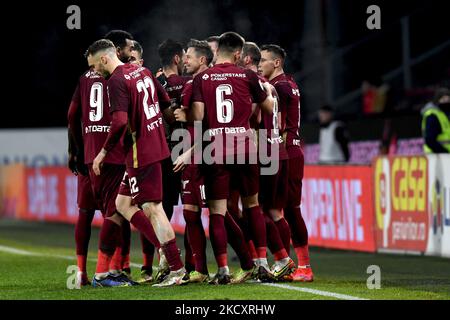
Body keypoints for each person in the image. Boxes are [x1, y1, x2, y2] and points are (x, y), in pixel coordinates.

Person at [87, 39, 186, 287]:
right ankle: (164, 252)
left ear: (103, 59)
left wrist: (102, 153)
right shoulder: (143, 71)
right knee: (122, 203)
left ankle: (176, 268)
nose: (94, 71)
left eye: (94, 65)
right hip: (154, 146)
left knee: (154, 208)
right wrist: (168, 132)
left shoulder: (116, 81)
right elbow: (165, 105)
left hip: (139, 153)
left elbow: (120, 122)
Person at [190, 32, 275, 284]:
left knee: (217, 212)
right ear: (238, 54)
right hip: (245, 146)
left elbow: (197, 116)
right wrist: (267, 91)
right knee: (252, 205)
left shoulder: (202, 78)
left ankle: (224, 270)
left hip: (216, 147)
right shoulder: (248, 75)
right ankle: (261, 264)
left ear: (217, 52)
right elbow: (268, 108)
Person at [238, 42, 296, 281]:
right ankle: (283, 262)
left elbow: (251, 115)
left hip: (263, 150)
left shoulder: (253, 84)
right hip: (276, 148)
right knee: (272, 209)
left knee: (256, 209)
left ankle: (282, 259)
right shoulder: (268, 85)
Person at [259, 44, 313, 282]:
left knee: (288, 209)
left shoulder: (278, 87)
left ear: (276, 63)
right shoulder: (290, 83)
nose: (260, 65)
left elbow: (277, 123)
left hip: (286, 151)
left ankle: (302, 266)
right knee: (282, 209)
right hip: (292, 149)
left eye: (263, 60)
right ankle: (292, 264)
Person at [422, 87, 450, 153]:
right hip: (436, 157)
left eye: (448, 100)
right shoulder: (432, 115)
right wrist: (444, 152)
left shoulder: (446, 115)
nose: (446, 102)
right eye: (443, 100)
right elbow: (430, 140)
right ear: (437, 101)